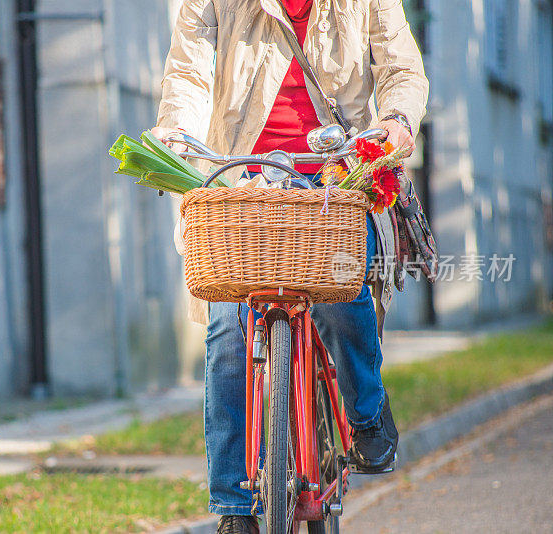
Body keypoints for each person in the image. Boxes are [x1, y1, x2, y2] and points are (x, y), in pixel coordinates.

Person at [151, 1, 428, 532]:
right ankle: (234, 508)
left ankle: (367, 413)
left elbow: (400, 68)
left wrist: (394, 120)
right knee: (229, 330)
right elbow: (187, 72)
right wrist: (176, 132)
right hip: (242, 180)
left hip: (334, 177)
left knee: (343, 299)